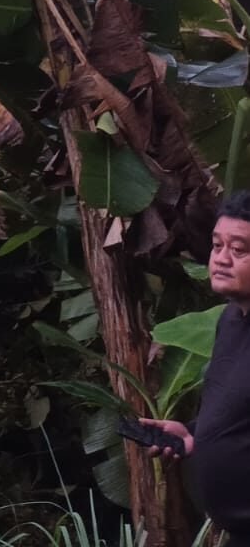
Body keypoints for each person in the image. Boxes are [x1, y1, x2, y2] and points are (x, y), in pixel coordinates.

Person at [142, 190, 250, 545]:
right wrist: (194, 434)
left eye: (239, 250)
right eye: (218, 245)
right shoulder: (231, 321)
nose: (221, 259)